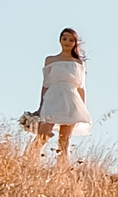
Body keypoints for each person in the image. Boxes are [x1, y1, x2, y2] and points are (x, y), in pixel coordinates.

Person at [23, 28, 90, 167]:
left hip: (71, 100)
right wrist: (41, 106)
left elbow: (81, 87)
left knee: (64, 139)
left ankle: (62, 169)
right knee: (44, 133)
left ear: (75, 43)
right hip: (53, 97)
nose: (67, 42)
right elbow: (45, 84)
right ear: (60, 40)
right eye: (65, 38)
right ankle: (27, 161)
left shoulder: (78, 63)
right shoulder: (50, 60)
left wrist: (82, 107)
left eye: (71, 40)